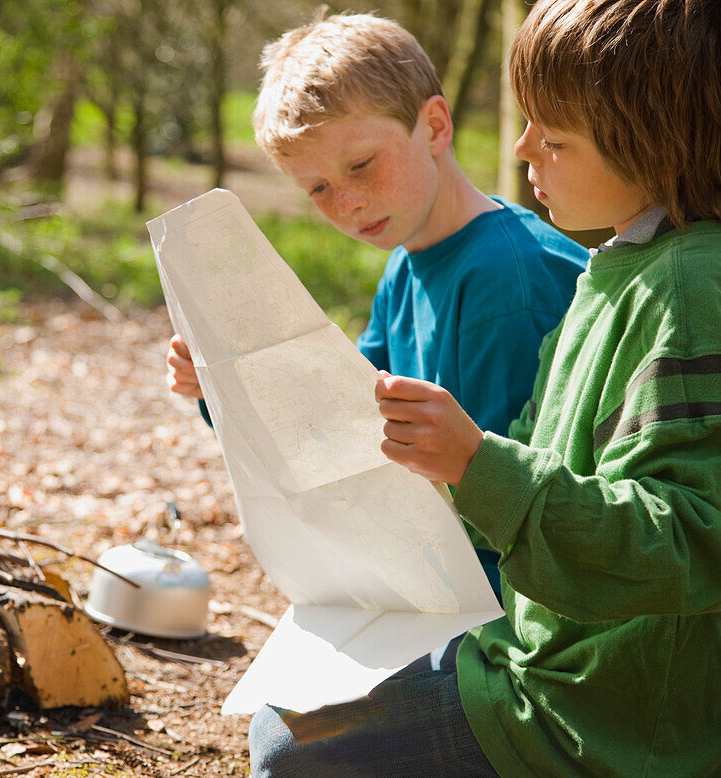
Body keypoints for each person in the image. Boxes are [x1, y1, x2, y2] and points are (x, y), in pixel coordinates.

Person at [252, 0, 721, 774]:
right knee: (288, 704)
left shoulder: (686, 289)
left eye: (554, 134)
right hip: (542, 651)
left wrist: (475, 464)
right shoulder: (621, 268)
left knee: (287, 745)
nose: (520, 145)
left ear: (651, 140)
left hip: (605, 710)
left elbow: (690, 541)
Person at [166, 13, 588, 601]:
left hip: (501, 609)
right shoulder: (407, 262)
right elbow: (342, 421)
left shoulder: (507, 281)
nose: (347, 201)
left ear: (435, 127)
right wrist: (224, 386)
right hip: (431, 576)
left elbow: (515, 512)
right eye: (317, 188)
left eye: (361, 165)